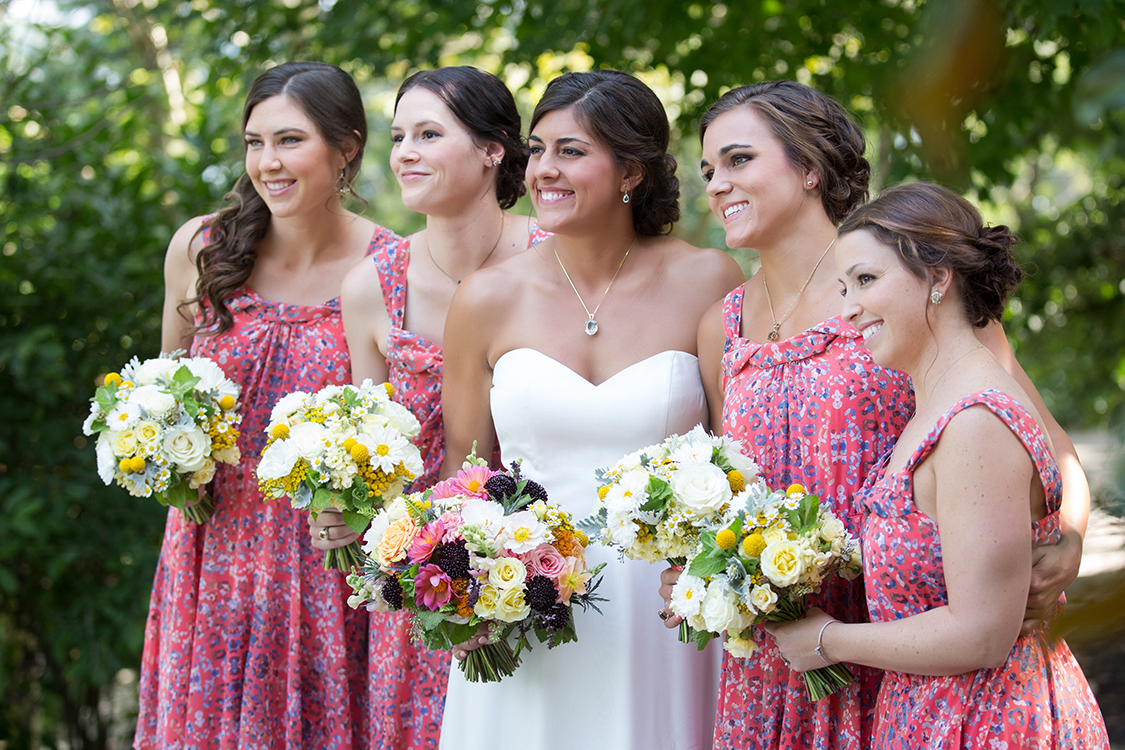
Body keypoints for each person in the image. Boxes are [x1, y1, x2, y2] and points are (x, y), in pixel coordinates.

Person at [658, 80, 1090, 750]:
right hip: (786, 660)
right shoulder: (724, 325)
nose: (716, 184)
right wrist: (702, 573)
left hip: (908, 643)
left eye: (739, 160)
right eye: (709, 168)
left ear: (809, 168)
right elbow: (730, 498)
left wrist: (1068, 539)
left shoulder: (905, 292)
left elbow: (1038, 441)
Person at [437, 70, 745, 750]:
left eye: (570, 151)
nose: (543, 169)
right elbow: (463, 475)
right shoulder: (485, 298)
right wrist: (470, 590)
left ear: (631, 168)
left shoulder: (708, 281)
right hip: (528, 604)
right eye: (538, 148)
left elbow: (741, 455)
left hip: (666, 613)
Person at [767, 182, 1109, 748]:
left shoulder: (975, 421)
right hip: (931, 715)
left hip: (989, 721)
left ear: (939, 278)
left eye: (867, 280)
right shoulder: (936, 406)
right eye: (844, 286)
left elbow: (981, 636)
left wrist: (828, 640)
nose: (848, 308)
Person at [135, 62, 392, 749]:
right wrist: (156, 453)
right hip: (209, 550)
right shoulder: (201, 248)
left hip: (320, 565)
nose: (267, 163)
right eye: (254, 142)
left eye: (289, 141)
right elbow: (163, 392)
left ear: (347, 149)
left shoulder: (390, 272)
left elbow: (404, 441)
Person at [313, 66, 540, 748]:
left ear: (493, 148)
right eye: (399, 136)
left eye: (429, 134)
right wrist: (341, 505)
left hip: (543, 562)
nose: (405, 151)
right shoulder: (369, 288)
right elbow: (370, 444)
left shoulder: (552, 256)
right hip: (425, 576)